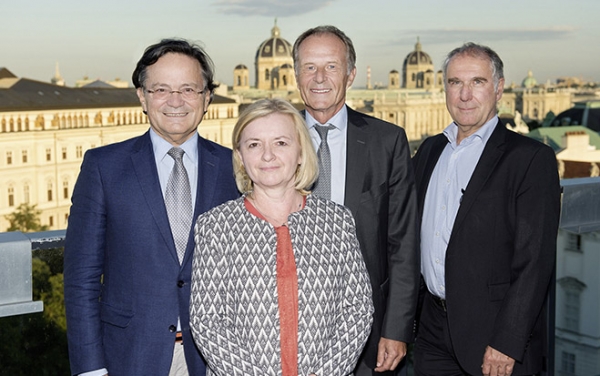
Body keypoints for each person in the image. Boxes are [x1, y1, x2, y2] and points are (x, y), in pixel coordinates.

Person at [63, 38, 239, 376]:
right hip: (130, 358)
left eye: (189, 89)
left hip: (218, 360)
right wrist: (90, 368)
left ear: (207, 98)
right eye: (161, 90)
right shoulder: (104, 167)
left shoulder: (235, 169)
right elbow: (81, 278)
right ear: (142, 97)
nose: (175, 101)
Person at [189, 98, 374, 376]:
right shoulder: (216, 226)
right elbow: (207, 321)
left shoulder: (337, 221)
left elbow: (357, 309)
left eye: (281, 143)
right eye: (254, 144)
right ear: (240, 156)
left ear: (301, 151)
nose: (267, 155)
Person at [412, 43, 561, 376]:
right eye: (455, 83)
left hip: (492, 336)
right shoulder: (431, 150)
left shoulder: (529, 159)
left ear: (499, 88)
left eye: (477, 82)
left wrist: (507, 341)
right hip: (432, 331)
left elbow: (534, 261)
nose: (465, 95)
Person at [292, 25, 420, 375]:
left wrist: (396, 329)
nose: (319, 78)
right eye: (309, 67)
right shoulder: (274, 139)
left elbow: (403, 244)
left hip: (367, 329)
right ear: (296, 74)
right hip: (282, 328)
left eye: (331, 66)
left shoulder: (387, 141)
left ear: (350, 74)